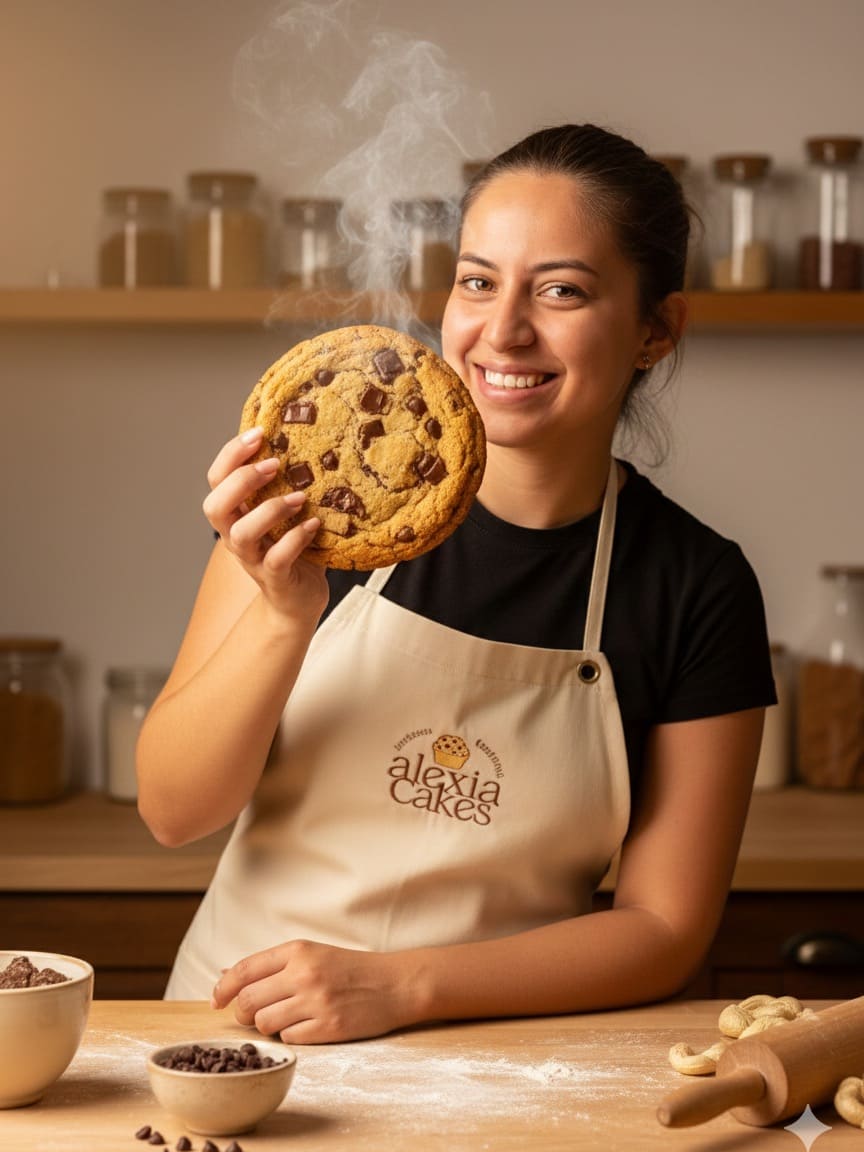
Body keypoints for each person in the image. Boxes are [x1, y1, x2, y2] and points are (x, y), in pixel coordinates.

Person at [137, 123, 776, 1045]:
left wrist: (405, 987)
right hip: (233, 1041)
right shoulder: (315, 501)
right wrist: (284, 614)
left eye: (562, 290)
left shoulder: (696, 586)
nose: (503, 330)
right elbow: (173, 809)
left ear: (655, 330)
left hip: (497, 1059)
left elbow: (665, 930)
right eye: (478, 281)